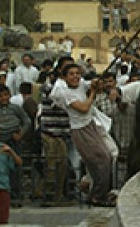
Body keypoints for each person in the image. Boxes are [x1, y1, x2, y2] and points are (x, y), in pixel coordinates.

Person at [52, 64, 116, 207]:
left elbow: (92, 85)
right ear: (65, 78)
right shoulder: (66, 93)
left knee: (106, 157)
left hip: (91, 125)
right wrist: (92, 92)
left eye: (77, 73)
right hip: (80, 130)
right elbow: (84, 108)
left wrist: (95, 84)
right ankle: (97, 194)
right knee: (103, 158)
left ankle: (95, 191)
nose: (75, 76)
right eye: (71, 74)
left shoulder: (80, 84)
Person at [0, 85, 31, 206]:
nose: (3, 98)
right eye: (0, 96)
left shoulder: (16, 108)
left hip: (15, 141)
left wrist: (20, 134)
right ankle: (4, 196)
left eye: (5, 95)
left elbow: (27, 121)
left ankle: (16, 196)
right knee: (2, 169)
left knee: (15, 168)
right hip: (0, 141)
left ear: (9, 95)